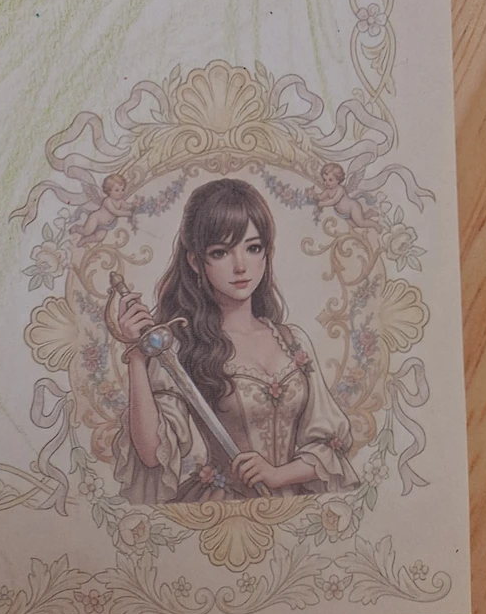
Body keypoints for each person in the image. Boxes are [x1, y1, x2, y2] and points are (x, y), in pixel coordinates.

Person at [112, 177, 359, 503]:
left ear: (267, 253)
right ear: (195, 261)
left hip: (292, 506)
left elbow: (332, 444)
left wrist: (278, 474)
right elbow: (152, 453)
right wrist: (136, 356)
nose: (240, 266)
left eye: (253, 248)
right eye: (221, 252)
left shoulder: (293, 342)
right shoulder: (180, 348)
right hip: (222, 509)